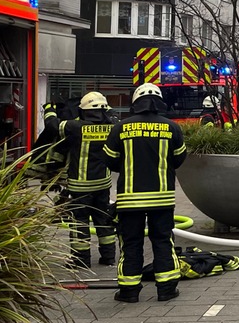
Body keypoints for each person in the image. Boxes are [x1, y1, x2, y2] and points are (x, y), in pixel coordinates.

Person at [102, 83, 187, 303]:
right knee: (163, 241)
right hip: (162, 197)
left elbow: (110, 160)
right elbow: (179, 158)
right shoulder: (172, 127)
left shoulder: (121, 127)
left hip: (130, 199)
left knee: (131, 243)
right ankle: (166, 289)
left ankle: (129, 291)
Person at [44, 92, 119, 269]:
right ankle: (108, 257)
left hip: (80, 185)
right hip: (103, 184)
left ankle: (81, 259)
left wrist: (49, 110)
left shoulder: (75, 127)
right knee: (103, 219)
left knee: (80, 222)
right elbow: (110, 113)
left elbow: (52, 126)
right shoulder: (111, 127)